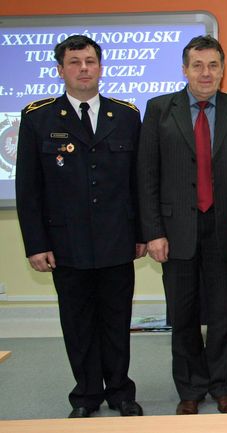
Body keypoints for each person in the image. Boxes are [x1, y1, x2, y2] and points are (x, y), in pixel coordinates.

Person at [15, 35, 145, 418]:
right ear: (60, 70)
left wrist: (141, 234)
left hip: (116, 239)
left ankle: (120, 391)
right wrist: (35, 244)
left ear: (101, 68)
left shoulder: (126, 115)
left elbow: (138, 182)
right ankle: (86, 395)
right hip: (65, 242)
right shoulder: (38, 118)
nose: (83, 68)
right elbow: (28, 188)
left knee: (117, 320)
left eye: (90, 61)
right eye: (74, 62)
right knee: (77, 323)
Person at [137, 35, 227, 415]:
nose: (206, 73)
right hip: (175, 232)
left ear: (223, 70)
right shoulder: (159, 109)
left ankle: (222, 384)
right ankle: (190, 388)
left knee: (224, 314)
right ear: (185, 70)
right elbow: (147, 174)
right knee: (183, 314)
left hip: (225, 229)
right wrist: (153, 232)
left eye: (213, 65)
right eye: (198, 65)